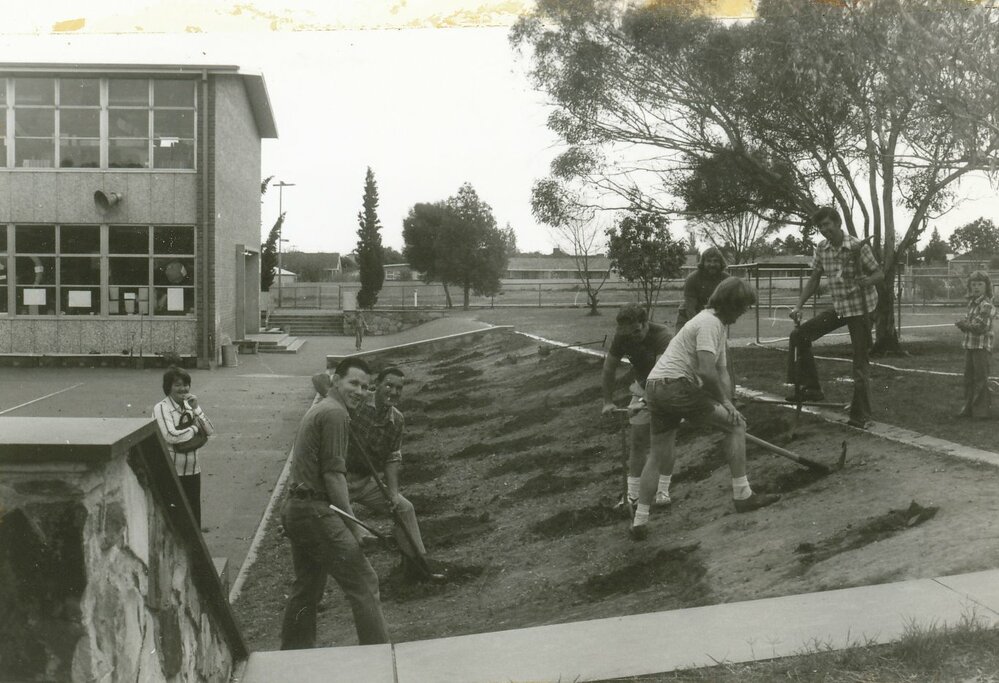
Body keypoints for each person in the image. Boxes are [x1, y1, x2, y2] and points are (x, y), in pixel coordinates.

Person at [631, 277, 780, 540]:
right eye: (743, 307)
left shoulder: (713, 323)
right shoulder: (710, 323)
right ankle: (743, 495)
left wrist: (729, 401)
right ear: (731, 304)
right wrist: (724, 404)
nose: (744, 312)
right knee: (736, 426)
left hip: (655, 387)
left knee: (657, 454)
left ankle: (640, 521)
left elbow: (721, 371)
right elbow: (706, 371)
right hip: (675, 386)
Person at [280, 357, 390, 650]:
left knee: (308, 588)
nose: (360, 391)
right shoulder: (335, 415)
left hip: (297, 509)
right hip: (314, 511)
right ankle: (377, 660)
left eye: (366, 388)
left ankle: (292, 660)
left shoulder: (323, 409)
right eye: (354, 383)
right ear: (336, 381)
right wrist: (355, 527)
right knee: (365, 583)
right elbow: (333, 476)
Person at [787, 207, 884, 429]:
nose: (824, 230)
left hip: (861, 308)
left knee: (859, 363)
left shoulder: (858, 247)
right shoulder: (822, 248)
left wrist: (867, 282)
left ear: (838, 223)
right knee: (800, 335)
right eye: (820, 227)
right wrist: (798, 305)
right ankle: (812, 388)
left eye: (827, 225)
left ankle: (861, 415)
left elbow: (879, 274)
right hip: (840, 307)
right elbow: (814, 278)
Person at [347, 367, 445, 582]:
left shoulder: (397, 420)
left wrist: (392, 493)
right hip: (337, 479)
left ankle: (417, 566)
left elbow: (392, 458)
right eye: (388, 385)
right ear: (377, 385)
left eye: (398, 388)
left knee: (404, 508)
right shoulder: (358, 402)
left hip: (366, 481)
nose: (393, 392)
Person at [601, 303, 674, 511]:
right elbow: (609, 369)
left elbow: (661, 377)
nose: (632, 336)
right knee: (638, 438)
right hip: (644, 386)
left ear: (645, 323)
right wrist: (607, 401)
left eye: (636, 331)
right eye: (627, 333)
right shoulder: (623, 336)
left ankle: (663, 490)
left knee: (665, 440)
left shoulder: (663, 336)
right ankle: (632, 495)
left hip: (670, 384)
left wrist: (642, 403)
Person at [153, 366, 214, 526]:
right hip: (172, 472)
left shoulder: (189, 406)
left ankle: (194, 551)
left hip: (193, 470)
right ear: (169, 387)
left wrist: (197, 409)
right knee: (174, 518)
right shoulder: (161, 408)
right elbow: (170, 435)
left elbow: (209, 430)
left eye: (186, 384)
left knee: (194, 517)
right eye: (178, 385)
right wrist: (194, 429)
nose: (183, 388)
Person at [955, 271, 995, 419]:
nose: (976, 287)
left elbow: (981, 327)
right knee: (968, 377)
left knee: (980, 378)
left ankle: (980, 410)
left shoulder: (986, 305)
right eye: (973, 284)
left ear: (986, 286)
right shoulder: (972, 304)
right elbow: (970, 322)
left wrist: (965, 325)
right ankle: (968, 407)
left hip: (981, 347)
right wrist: (965, 324)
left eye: (980, 284)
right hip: (970, 345)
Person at [676, 247, 729, 331]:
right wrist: (700, 328)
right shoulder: (692, 278)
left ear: (721, 262)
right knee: (681, 343)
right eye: (708, 261)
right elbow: (690, 308)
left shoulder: (726, 279)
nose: (712, 264)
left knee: (718, 343)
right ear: (703, 262)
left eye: (715, 261)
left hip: (713, 319)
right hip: (688, 317)